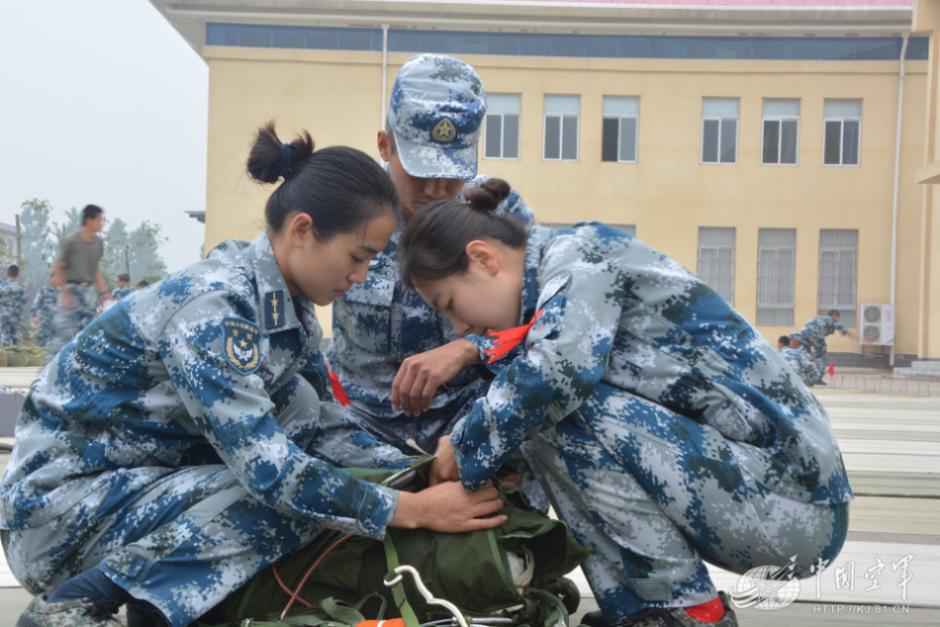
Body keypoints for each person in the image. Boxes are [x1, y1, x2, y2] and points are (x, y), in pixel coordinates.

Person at [1, 124, 506, 627]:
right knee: (291, 498)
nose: (358, 277)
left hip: (139, 489)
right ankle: (73, 606)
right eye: (356, 257)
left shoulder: (284, 307)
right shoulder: (214, 307)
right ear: (302, 230)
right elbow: (272, 473)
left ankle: (158, 610)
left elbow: (324, 427)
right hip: (60, 515)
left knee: (303, 414)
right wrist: (413, 509)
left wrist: (417, 471)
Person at [397, 181, 852, 627]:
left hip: (794, 506)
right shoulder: (556, 286)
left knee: (555, 405)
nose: (459, 327)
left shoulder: (582, 255)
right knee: (538, 420)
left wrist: (463, 447)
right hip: (754, 495)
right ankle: (638, 612)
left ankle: (687, 610)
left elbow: (558, 374)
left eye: (450, 303)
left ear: (483, 258)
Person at [327, 53, 533, 455]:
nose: (437, 189)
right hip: (361, 430)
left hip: (472, 425)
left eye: (452, 172)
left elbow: (546, 328)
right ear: (385, 146)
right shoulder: (344, 210)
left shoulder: (498, 213)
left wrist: (471, 349)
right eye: (421, 170)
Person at [46, 204, 113, 357]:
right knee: (63, 334)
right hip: (71, 290)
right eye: (100, 220)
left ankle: (81, 367)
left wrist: (104, 292)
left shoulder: (98, 243)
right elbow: (59, 267)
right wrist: (65, 292)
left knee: (89, 333)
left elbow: (95, 270)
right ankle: (50, 368)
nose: (102, 223)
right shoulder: (71, 241)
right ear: (89, 220)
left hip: (88, 292)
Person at [798, 310, 854, 384]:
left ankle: (804, 377)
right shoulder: (831, 320)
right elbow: (843, 329)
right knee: (820, 355)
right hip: (816, 336)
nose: (838, 319)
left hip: (803, 336)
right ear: (834, 315)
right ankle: (817, 378)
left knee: (805, 356)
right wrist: (857, 338)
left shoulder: (817, 317)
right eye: (838, 317)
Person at [0, 264, 26, 347]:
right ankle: (16, 354)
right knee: (16, 343)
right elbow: (24, 301)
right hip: (17, 318)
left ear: (7, 273)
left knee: (5, 341)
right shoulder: (21, 288)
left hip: (5, 317)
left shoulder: (2, 287)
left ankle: (6, 354)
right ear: (18, 275)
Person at [30, 274, 58, 348]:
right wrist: (34, 316)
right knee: (40, 343)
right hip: (44, 322)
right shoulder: (44, 290)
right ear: (51, 278)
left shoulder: (61, 292)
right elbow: (36, 303)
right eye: (55, 277)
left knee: (54, 345)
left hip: (56, 324)